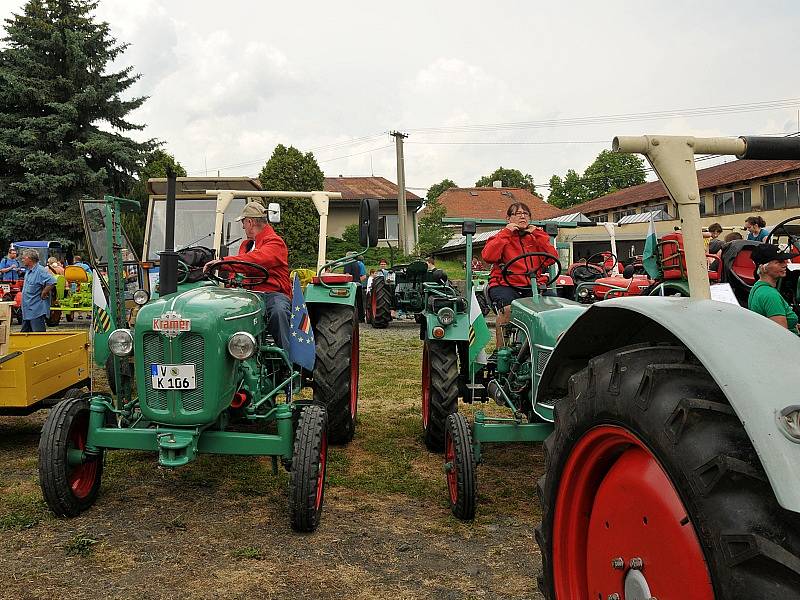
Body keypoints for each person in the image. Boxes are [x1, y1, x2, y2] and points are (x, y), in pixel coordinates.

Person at [203, 202, 291, 350]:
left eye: (243, 222)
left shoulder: (275, 243)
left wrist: (222, 262)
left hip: (271, 294)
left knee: (278, 312)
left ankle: (287, 359)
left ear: (250, 222)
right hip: (246, 294)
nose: (243, 227)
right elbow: (239, 271)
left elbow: (255, 260)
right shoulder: (246, 245)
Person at [482, 202, 557, 347]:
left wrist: (538, 234)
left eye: (526, 214)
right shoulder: (501, 237)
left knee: (557, 308)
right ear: (508, 219)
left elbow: (551, 259)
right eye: (517, 214)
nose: (522, 216)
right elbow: (489, 256)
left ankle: (551, 349)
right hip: (505, 285)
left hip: (533, 286)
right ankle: (501, 352)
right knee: (509, 309)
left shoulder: (536, 238)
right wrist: (506, 232)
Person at [747, 244, 798, 335]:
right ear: (763, 268)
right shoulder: (770, 295)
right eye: (779, 262)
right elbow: (782, 335)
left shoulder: (757, 287)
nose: (785, 264)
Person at [19, 249, 56, 332]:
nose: (22, 260)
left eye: (24, 258)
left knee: (38, 336)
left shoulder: (40, 270)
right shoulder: (28, 271)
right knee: (24, 336)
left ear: (30, 259)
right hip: (27, 310)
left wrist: (44, 292)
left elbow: (52, 281)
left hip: (36, 311)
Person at [343, 251, 366, 322]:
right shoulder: (357, 264)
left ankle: (351, 318)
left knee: (350, 302)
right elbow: (362, 275)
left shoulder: (348, 264)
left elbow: (347, 275)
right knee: (359, 302)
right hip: (358, 284)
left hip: (351, 285)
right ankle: (361, 318)